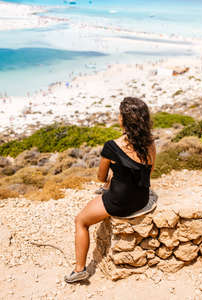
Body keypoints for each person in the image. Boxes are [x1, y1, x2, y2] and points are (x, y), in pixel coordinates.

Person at [64, 97, 156, 283]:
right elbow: (148, 172)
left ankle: (80, 270)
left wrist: (109, 183)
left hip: (120, 203)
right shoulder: (150, 143)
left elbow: (100, 177)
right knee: (119, 175)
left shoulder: (112, 147)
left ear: (124, 119)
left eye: (120, 114)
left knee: (80, 221)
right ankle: (110, 189)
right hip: (142, 198)